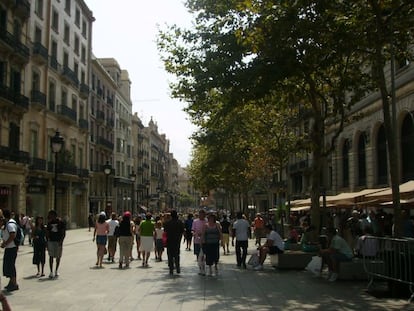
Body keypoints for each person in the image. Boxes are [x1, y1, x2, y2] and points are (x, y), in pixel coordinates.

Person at [1, 209, 19, 291]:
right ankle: (11, 282)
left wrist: (5, 243)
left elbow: (12, 235)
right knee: (8, 266)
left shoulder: (10, 224)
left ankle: (14, 283)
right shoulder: (7, 224)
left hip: (12, 248)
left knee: (11, 266)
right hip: (9, 248)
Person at [46, 209, 66, 279]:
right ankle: (51, 271)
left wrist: (61, 241)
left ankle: (56, 270)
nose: (50, 217)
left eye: (51, 215)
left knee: (58, 256)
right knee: (51, 256)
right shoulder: (49, 223)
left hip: (58, 241)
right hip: (51, 241)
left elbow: (63, 232)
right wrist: (47, 241)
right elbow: (47, 232)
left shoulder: (60, 222)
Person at [163, 210, 185, 275]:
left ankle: (171, 269)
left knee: (170, 255)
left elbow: (165, 231)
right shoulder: (180, 222)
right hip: (177, 240)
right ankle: (177, 267)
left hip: (169, 240)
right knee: (176, 254)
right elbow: (182, 231)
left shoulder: (167, 223)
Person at [192, 209, 207, 275]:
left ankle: (203, 268)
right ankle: (200, 268)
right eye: (200, 214)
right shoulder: (195, 221)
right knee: (198, 255)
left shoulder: (207, 221)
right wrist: (195, 233)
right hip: (197, 241)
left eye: (203, 214)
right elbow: (192, 230)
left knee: (203, 255)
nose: (201, 216)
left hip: (205, 241)